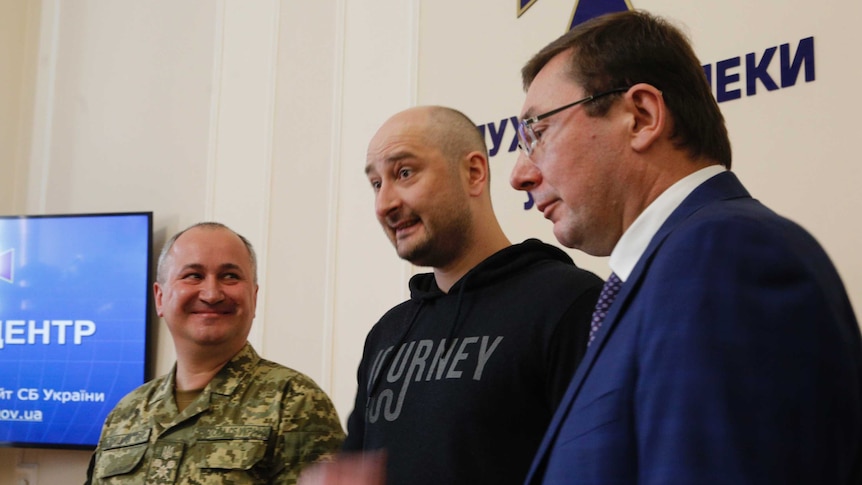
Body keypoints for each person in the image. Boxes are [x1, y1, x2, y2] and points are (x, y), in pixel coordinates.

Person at [509, 10, 862, 485]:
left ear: (641, 117)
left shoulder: (724, 256)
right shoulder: (660, 278)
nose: (520, 175)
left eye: (538, 132)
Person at [302, 106, 603, 485]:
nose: (384, 204)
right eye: (377, 184)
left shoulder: (569, 303)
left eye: (404, 173)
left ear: (473, 173)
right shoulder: (388, 333)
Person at [85, 222, 345, 484]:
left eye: (230, 276)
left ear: (253, 297)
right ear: (160, 297)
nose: (211, 294)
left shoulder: (295, 401)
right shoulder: (125, 414)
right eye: (193, 275)